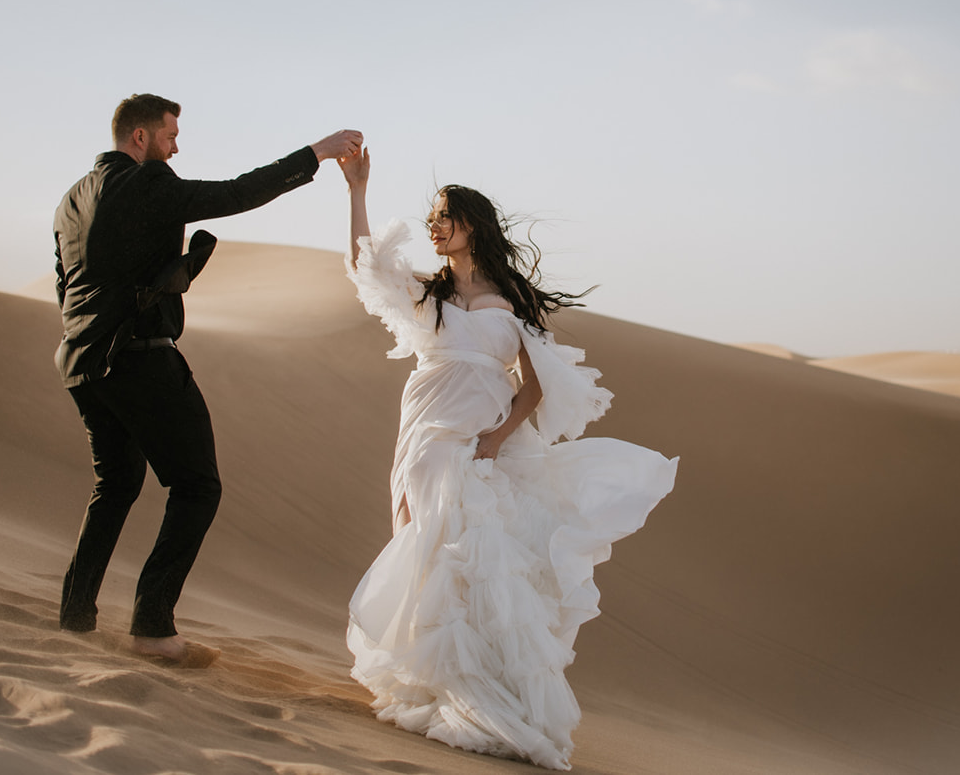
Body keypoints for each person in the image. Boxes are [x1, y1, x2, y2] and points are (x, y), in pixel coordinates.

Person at [337, 147, 677, 770]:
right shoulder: (428, 292)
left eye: (445, 216)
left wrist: (498, 437)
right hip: (427, 429)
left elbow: (537, 380)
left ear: (473, 223)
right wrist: (357, 189)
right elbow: (367, 266)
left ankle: (484, 686)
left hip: (484, 438)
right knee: (425, 541)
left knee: (477, 553)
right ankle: (431, 675)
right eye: (432, 217)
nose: (434, 225)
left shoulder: (510, 294)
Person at [54, 92, 361, 664]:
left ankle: (75, 613)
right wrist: (315, 153)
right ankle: (151, 625)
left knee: (115, 486)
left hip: (82, 364)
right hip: (140, 358)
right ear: (140, 138)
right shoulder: (150, 183)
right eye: (170, 135)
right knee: (196, 486)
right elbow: (236, 193)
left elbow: (64, 285)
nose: (176, 147)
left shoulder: (71, 199)